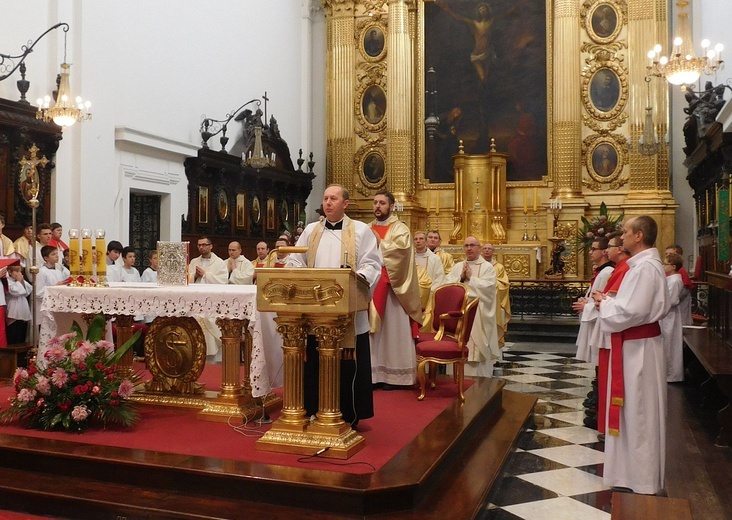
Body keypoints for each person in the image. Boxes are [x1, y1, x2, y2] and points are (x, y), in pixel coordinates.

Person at [287, 184, 382, 426]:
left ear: (345, 204)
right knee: (315, 358)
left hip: (347, 308)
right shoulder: (311, 230)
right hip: (315, 308)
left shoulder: (361, 231)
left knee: (347, 363)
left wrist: (357, 279)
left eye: (333, 198)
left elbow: (371, 264)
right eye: (326, 198)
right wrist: (299, 277)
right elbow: (295, 259)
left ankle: (349, 413)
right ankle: (313, 408)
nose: (328, 202)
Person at [592, 216, 669, 495]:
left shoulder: (645, 268)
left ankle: (642, 478)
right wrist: (610, 303)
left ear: (638, 236)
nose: (621, 238)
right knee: (632, 412)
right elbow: (632, 308)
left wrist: (604, 303)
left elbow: (631, 312)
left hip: (640, 351)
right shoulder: (641, 266)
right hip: (634, 346)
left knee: (639, 413)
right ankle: (627, 473)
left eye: (625, 233)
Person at [369, 190, 422, 388]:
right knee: (373, 335)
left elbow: (401, 252)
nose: (377, 206)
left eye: (382, 203)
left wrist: (378, 242)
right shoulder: (366, 228)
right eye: (375, 202)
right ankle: (373, 375)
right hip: (370, 287)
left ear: (391, 207)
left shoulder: (400, 229)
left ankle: (395, 376)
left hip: (394, 292)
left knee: (393, 332)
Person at [445, 236, 499, 377]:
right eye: (466, 245)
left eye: (473, 245)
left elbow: (489, 290)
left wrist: (471, 278)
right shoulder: (458, 267)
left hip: (478, 314)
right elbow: (447, 287)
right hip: (459, 313)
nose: (469, 248)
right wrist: (461, 278)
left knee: (477, 350)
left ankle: (481, 382)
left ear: (479, 248)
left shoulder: (487, 268)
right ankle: (455, 378)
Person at [187, 236, 229, 359]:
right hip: (195, 302)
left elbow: (223, 280)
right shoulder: (194, 262)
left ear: (211, 246)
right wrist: (194, 276)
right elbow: (187, 278)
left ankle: (213, 360)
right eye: (199, 245)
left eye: (204, 245)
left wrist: (205, 275)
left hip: (211, 303)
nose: (202, 247)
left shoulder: (219, 262)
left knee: (211, 329)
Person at [436, 0, 495, 85]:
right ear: (478, 12)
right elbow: (459, 18)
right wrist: (446, 8)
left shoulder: (491, 21)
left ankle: (485, 96)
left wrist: (518, 5)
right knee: (482, 78)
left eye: (484, 9)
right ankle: (480, 94)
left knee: (487, 79)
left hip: (487, 53)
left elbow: (505, 14)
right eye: (481, 10)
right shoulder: (474, 23)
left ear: (487, 11)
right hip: (477, 55)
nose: (483, 11)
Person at [481, 242, 511, 349]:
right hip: (480, 302)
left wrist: (490, 285)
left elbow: (504, 284)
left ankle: (496, 355)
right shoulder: (477, 265)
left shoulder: (499, 267)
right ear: (481, 251)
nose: (487, 250)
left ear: (493, 252)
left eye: (489, 249)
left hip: (495, 302)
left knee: (493, 329)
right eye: (485, 248)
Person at [661, 252, 685, 382]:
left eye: (666, 264)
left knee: (670, 344)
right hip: (665, 315)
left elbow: (673, 300)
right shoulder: (670, 278)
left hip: (669, 316)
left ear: (674, 266)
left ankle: (672, 375)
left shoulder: (675, 280)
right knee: (665, 344)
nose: (664, 266)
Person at [665, 244, 692, 325]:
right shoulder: (669, 271)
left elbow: (676, 297)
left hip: (674, 308)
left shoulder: (678, 273)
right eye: (666, 254)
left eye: (671, 254)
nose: (668, 256)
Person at [5, 265, 32, 345]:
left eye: (20, 271)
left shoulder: (19, 280)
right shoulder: (7, 281)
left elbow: (28, 290)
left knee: (21, 333)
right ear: (9, 272)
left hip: (22, 306)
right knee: (13, 333)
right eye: (16, 271)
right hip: (13, 307)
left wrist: (21, 281)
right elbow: (15, 292)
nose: (19, 274)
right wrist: (19, 281)